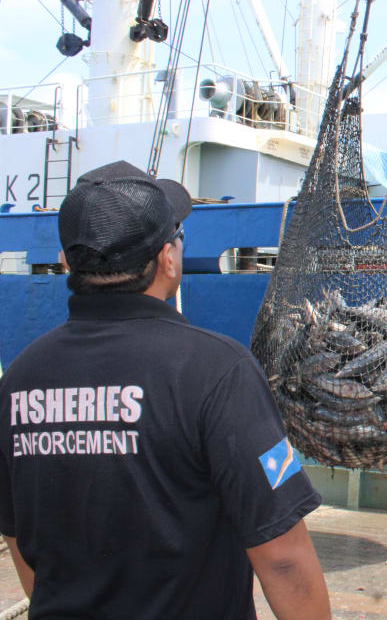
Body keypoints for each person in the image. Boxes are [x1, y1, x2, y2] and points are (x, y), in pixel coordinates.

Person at [0, 161, 331, 619]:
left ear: (65, 261)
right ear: (168, 257)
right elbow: (283, 556)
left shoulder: (19, 379)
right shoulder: (217, 370)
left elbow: (18, 540)